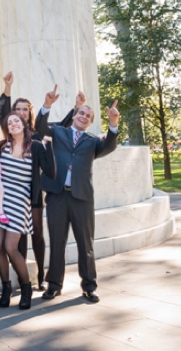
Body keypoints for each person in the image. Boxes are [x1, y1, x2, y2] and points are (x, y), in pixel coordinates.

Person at [35, 87, 121, 303]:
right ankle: (54, 285)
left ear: (90, 122)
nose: (83, 117)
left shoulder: (93, 142)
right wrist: (47, 105)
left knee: (86, 244)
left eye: (88, 116)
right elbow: (40, 126)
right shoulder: (59, 133)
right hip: (57, 196)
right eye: (81, 113)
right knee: (56, 242)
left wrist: (113, 124)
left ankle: (89, 286)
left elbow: (110, 146)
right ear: (74, 116)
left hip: (82, 198)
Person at [0, 71, 80, 291]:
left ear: (30, 113)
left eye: (25, 110)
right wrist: (7, 88)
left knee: (38, 234)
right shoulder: (9, 136)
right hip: (13, 195)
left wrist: (75, 107)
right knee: (17, 236)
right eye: (18, 110)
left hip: (34, 192)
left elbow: (61, 126)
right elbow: (2, 111)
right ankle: (20, 277)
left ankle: (41, 276)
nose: (21, 114)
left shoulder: (36, 134)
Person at [0, 117, 56, 310]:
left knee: (10, 247)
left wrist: (50, 147)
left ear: (23, 124)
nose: (13, 123)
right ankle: (6, 289)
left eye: (17, 121)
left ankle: (26, 288)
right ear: (7, 127)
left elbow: (51, 172)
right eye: (10, 122)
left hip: (19, 199)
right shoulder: (1, 146)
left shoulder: (36, 147)